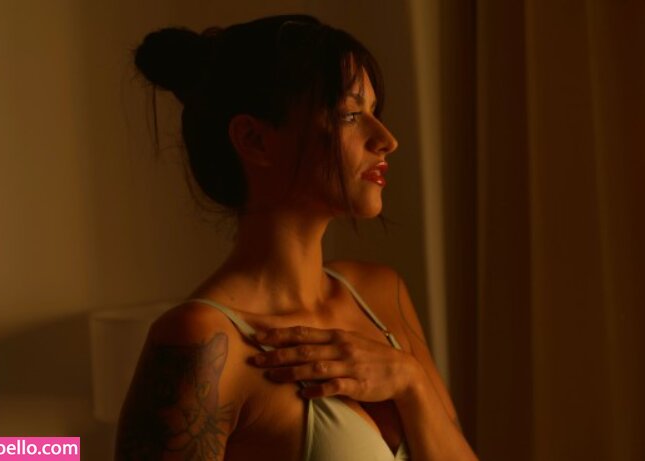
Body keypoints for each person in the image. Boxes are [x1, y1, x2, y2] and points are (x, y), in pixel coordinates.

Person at [115, 14, 477, 461]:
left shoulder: (381, 292)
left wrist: (409, 382)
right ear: (254, 140)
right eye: (350, 114)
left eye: (373, 112)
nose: (386, 140)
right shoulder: (201, 339)